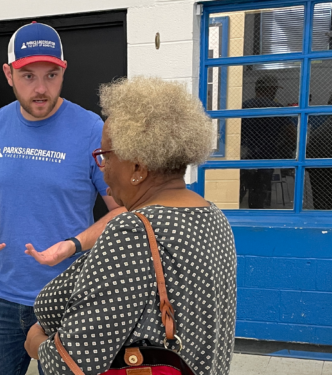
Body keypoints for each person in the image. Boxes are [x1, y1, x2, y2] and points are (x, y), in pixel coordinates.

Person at [24, 77, 237, 375]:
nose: (103, 170)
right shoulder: (215, 218)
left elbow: (68, 364)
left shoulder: (134, 230)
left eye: (105, 156)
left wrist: (35, 343)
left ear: (137, 168)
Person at [0, 22, 125, 375]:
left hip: (70, 296)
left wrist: (74, 244)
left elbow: (122, 211)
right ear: (9, 74)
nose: (40, 88)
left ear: (63, 71)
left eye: (51, 75)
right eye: (28, 76)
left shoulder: (92, 129)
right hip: (0, 296)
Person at [240, 75, 297, 208]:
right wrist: (284, 149)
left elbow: (228, 134)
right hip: (266, 160)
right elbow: (292, 134)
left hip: (244, 160)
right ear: (270, 89)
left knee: (238, 196)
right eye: (275, 89)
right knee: (260, 199)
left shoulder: (244, 107)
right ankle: (257, 224)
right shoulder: (277, 109)